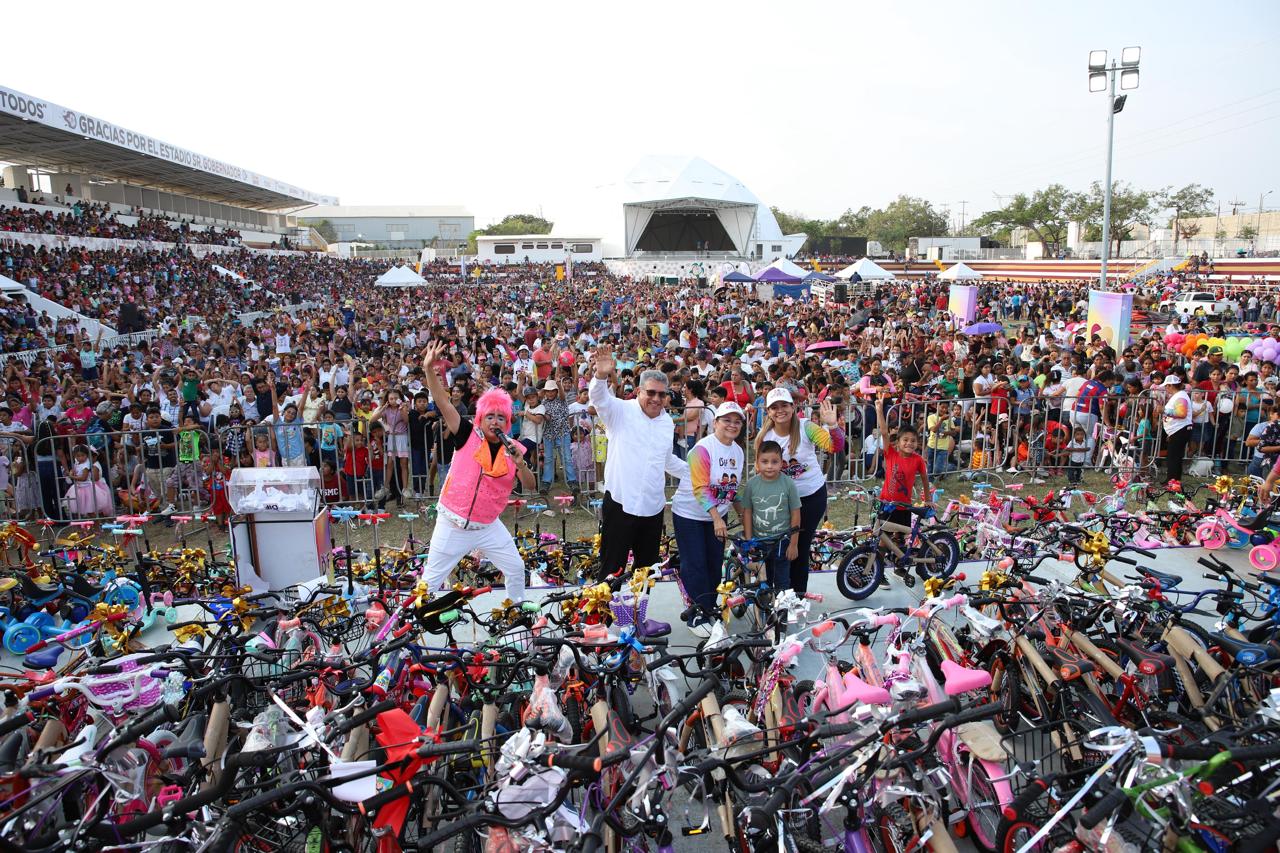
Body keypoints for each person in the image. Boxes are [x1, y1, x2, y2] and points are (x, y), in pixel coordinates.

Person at [419, 341, 535, 601]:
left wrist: (520, 463)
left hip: (487, 525)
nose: (495, 421)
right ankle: (409, 626)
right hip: (452, 523)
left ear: (508, 422)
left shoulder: (515, 448)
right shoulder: (467, 434)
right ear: (481, 418)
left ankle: (517, 615)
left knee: (516, 569)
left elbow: (530, 485)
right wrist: (429, 371)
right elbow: (443, 401)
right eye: (490, 416)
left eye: (501, 417)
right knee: (429, 584)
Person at [589, 343, 689, 580]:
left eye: (661, 394)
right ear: (639, 391)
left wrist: (699, 472)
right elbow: (599, 398)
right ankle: (608, 617)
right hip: (621, 502)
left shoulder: (666, 423)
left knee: (646, 573)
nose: (656, 398)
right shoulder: (621, 411)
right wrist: (601, 375)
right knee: (612, 570)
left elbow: (667, 461)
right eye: (651, 392)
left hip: (652, 508)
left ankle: (639, 615)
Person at [754, 387, 843, 595]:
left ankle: (797, 595)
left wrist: (832, 425)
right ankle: (777, 592)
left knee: (800, 548)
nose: (780, 410)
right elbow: (761, 469)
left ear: (793, 407)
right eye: (774, 407)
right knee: (777, 546)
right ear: (768, 411)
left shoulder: (806, 427)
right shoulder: (764, 436)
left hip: (811, 497)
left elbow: (834, 447)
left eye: (784, 405)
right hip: (781, 500)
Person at [671, 401, 745, 636]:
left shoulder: (738, 451)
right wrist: (716, 518)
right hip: (690, 514)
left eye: (737, 421)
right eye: (727, 420)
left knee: (714, 563)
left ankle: (710, 607)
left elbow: (732, 488)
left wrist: (743, 515)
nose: (732, 425)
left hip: (717, 516)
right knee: (695, 563)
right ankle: (696, 613)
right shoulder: (702, 449)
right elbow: (701, 488)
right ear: (715, 423)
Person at [740, 439, 801, 598]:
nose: (769, 466)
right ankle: (764, 612)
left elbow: (796, 513)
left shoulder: (788, 484)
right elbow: (747, 512)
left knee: (782, 580)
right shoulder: (752, 485)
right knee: (762, 580)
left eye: (774, 461)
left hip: (782, 541)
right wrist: (748, 539)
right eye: (764, 461)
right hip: (759, 541)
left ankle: (781, 615)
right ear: (757, 463)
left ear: (781, 463)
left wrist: (793, 544)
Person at [873, 390, 931, 530]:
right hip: (886, 504)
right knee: (882, 538)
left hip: (904, 507)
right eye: (905, 440)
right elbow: (884, 433)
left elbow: (924, 478)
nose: (909, 443)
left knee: (900, 542)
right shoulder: (891, 454)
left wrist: (928, 499)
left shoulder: (918, 460)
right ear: (897, 442)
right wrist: (879, 411)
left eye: (913, 441)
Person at [1161, 374, 1193, 487]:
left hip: (1180, 429)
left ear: (1170, 386)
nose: (1165, 388)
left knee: (1173, 457)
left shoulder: (1181, 396)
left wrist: (1164, 411)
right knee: (1174, 456)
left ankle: (1172, 482)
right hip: (1177, 430)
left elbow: (1181, 413)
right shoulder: (1179, 395)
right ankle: (1174, 480)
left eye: (1166, 386)